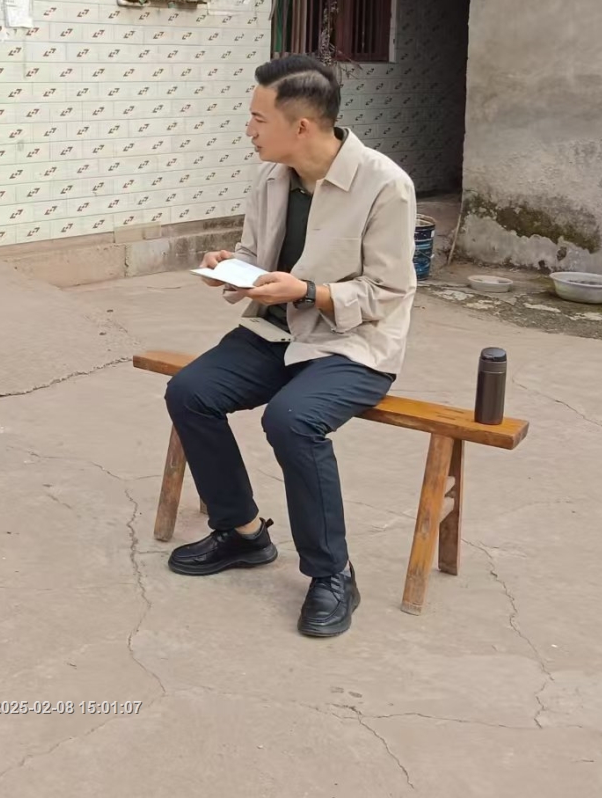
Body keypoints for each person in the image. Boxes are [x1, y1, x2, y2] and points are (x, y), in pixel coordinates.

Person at [164, 56, 416, 637]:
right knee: (190, 391)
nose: (248, 130)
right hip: (275, 330)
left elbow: (388, 292)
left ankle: (333, 574)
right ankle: (243, 533)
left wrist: (308, 291)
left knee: (292, 419)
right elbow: (256, 256)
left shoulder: (385, 185)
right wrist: (230, 267)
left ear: (301, 126)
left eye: (258, 119)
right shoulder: (271, 176)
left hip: (354, 344)